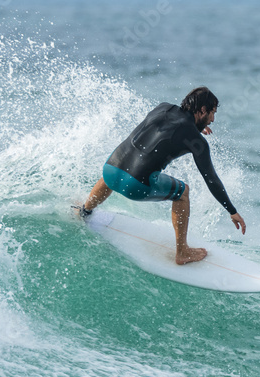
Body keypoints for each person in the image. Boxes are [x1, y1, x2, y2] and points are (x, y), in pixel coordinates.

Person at [78, 86, 246, 265]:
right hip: (135, 186)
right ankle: (182, 252)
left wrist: (195, 128)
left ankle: (85, 210)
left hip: (110, 171)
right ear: (202, 110)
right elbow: (211, 178)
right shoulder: (198, 142)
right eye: (212, 113)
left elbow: (169, 128)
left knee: (122, 164)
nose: (212, 119)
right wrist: (232, 211)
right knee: (183, 193)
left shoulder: (163, 107)